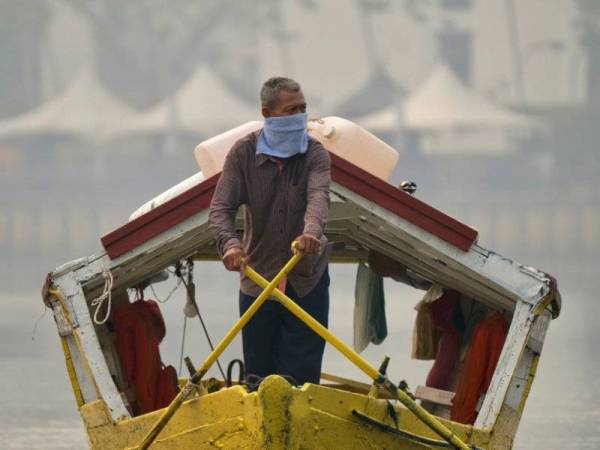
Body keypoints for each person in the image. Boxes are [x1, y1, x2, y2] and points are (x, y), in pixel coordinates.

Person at [208, 76, 331, 386]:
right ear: (267, 113)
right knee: (258, 377)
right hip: (257, 279)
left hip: (305, 278)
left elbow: (319, 196)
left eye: (303, 109)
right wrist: (231, 246)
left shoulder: (315, 154)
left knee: (302, 379)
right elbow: (220, 209)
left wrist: (311, 233)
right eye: (291, 110)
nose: (300, 117)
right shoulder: (243, 154)